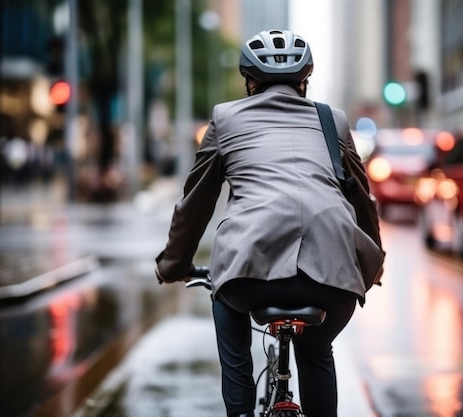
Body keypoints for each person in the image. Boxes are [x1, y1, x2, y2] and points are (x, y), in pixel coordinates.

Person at [155, 29, 385, 417]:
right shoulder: (334, 121)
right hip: (332, 277)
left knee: (223, 297)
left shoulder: (224, 119)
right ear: (304, 82)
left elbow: (195, 205)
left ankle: (242, 412)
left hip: (249, 276)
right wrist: (373, 266)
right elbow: (363, 202)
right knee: (315, 350)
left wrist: (174, 265)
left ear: (250, 81)